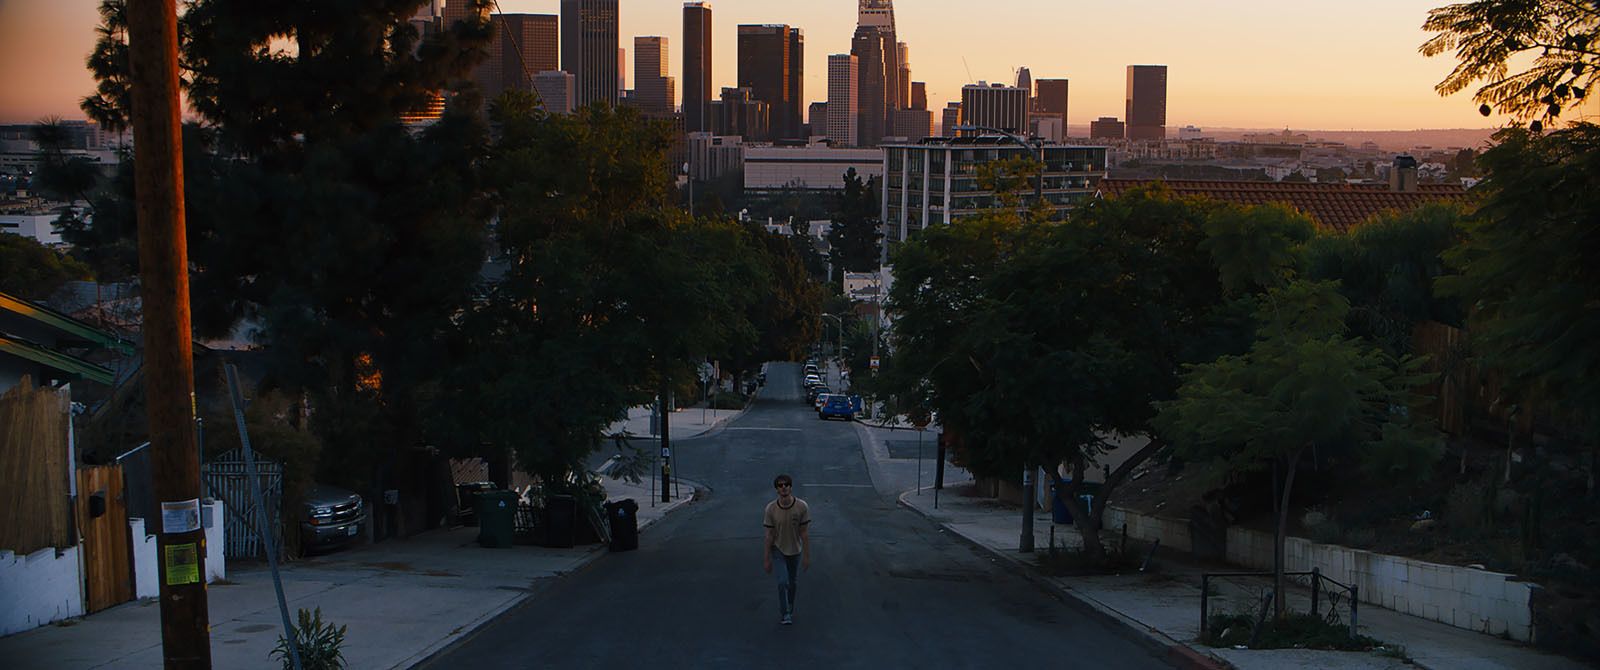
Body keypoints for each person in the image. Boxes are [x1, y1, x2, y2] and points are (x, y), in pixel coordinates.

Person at [762, 473, 811, 625]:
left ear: (790, 487)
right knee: (782, 582)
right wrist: (766, 558)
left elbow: (804, 533)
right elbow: (769, 535)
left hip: (795, 550)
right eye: (780, 485)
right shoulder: (771, 508)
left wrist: (807, 556)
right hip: (778, 549)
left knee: (792, 582)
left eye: (786, 485)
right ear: (776, 489)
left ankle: (790, 605)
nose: (783, 487)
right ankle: (785, 614)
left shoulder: (801, 506)